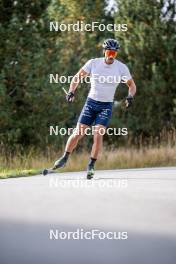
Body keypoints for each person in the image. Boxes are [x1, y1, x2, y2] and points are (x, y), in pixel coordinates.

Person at [43, 38, 136, 179]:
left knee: (98, 135)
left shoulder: (121, 68)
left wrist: (130, 96)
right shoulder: (93, 63)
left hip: (106, 106)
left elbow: (132, 85)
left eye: (114, 54)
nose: (111, 56)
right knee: (78, 133)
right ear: (104, 51)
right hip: (91, 103)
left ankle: (91, 165)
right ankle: (64, 158)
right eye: (109, 52)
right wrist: (71, 91)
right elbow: (77, 77)